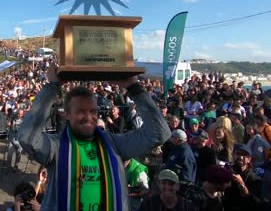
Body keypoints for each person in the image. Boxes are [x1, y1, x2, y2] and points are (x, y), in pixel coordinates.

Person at [18, 65, 171, 210]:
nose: (88, 117)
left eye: (93, 111)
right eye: (81, 111)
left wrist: (134, 87)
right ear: (67, 114)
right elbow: (27, 137)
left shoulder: (115, 144)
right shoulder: (56, 147)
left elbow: (159, 133)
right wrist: (52, 86)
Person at [223, 144, 263, 211]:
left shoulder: (255, 178)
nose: (241, 157)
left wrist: (241, 184)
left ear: (249, 159)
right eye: (238, 153)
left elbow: (256, 204)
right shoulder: (226, 172)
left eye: (244, 155)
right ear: (233, 155)